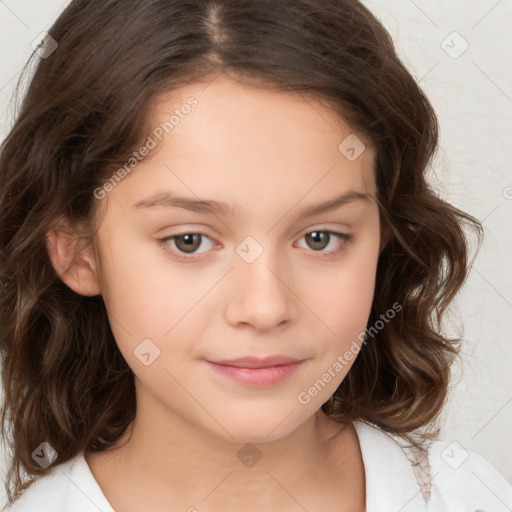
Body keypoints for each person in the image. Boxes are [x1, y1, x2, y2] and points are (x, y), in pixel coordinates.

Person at [0, 1, 510, 511]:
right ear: (78, 251)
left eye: (319, 237)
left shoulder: (469, 496)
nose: (265, 308)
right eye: (189, 241)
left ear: (383, 237)